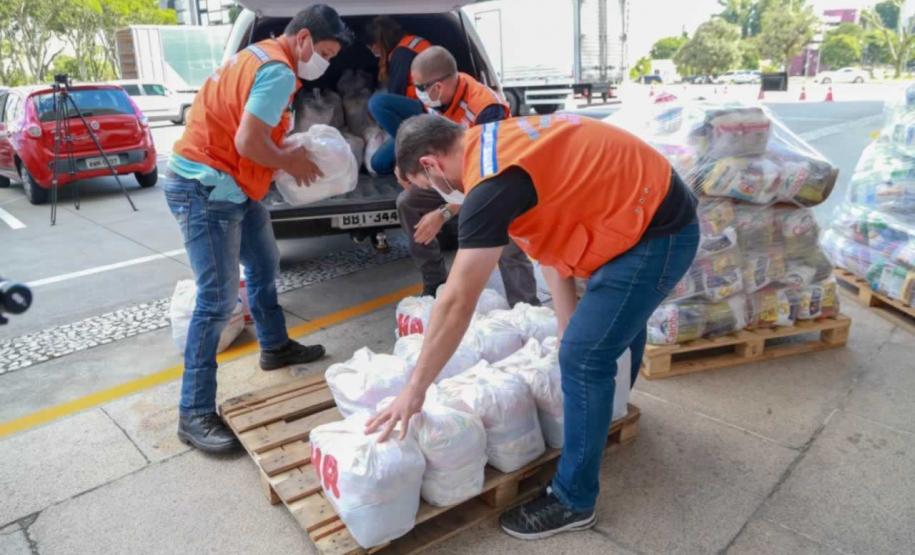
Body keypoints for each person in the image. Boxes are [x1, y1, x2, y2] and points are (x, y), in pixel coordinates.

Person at [367, 114, 699, 539]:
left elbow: (456, 302)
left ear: (431, 164)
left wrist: (414, 390)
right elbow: (549, 246)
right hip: (638, 212)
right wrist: (565, 329)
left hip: (658, 231)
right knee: (599, 335)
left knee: (584, 358)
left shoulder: (491, 185)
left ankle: (573, 500)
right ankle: (609, 412)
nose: (438, 194)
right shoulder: (493, 145)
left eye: (427, 185)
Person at [163, 5, 352, 454]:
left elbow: (247, 130)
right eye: (324, 53)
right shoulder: (279, 72)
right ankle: (194, 412)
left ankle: (275, 346)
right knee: (216, 301)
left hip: (235, 185)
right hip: (206, 189)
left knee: (265, 264)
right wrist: (289, 161)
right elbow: (248, 141)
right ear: (303, 39)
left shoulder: (258, 55)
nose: (324, 64)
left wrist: (282, 150)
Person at [397, 46, 537, 303]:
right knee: (408, 202)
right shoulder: (437, 98)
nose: (417, 93)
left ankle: (525, 304)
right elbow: (424, 138)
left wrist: (443, 213)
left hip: (493, 178)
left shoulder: (486, 107)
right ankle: (435, 284)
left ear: (437, 86)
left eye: (419, 87)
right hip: (450, 174)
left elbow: (489, 179)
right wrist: (406, 164)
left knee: (505, 235)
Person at [364, 16, 430, 174]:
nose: (373, 52)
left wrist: (383, 122)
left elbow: (396, 93)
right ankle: (413, 145)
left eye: (372, 47)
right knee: (378, 164)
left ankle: (415, 149)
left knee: (377, 103)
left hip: (428, 109)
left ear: (378, 43)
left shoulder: (402, 54)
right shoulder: (410, 43)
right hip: (418, 112)